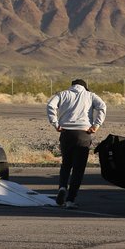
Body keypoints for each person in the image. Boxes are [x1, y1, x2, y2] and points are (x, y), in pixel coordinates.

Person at [46, 79, 107, 209]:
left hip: (66, 133)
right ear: (85, 87)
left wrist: (55, 123)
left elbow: (50, 105)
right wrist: (96, 125)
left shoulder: (62, 94)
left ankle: (62, 187)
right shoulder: (90, 95)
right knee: (78, 169)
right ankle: (70, 200)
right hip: (83, 134)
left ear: (72, 85)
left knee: (66, 164)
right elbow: (102, 106)